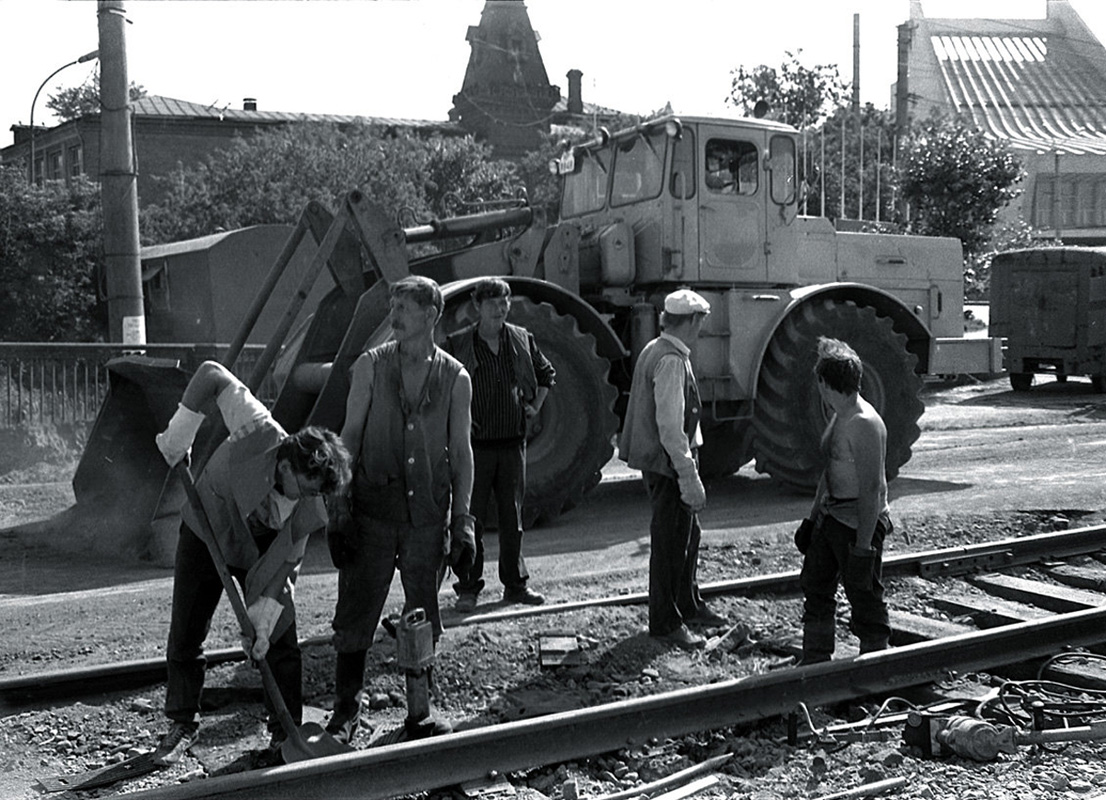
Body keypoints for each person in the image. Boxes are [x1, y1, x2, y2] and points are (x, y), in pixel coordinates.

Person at [151, 361, 352, 766]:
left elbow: (286, 565)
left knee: (279, 639)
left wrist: (266, 612)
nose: (308, 498)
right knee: (188, 628)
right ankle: (182, 721)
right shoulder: (258, 427)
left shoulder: (310, 504)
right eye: (306, 487)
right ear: (285, 465)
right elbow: (210, 373)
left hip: (260, 554)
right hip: (208, 525)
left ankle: (286, 732)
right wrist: (182, 429)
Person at [326, 275, 476, 743]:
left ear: (430, 315)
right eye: (391, 307)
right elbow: (347, 440)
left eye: (403, 309)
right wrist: (338, 507)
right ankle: (346, 712)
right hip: (371, 512)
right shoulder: (370, 368)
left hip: (426, 519)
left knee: (421, 618)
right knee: (355, 615)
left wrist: (463, 522)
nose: (393, 317)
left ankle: (420, 713)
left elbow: (461, 451)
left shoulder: (455, 377)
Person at [618, 289, 728, 650]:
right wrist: (688, 473)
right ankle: (665, 623)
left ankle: (688, 604)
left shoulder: (659, 349)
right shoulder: (670, 360)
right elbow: (670, 426)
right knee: (670, 544)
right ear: (693, 321)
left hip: (666, 460)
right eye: (701, 321)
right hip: (668, 463)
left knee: (687, 537)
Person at [444, 278, 556, 613]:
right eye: (492, 302)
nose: (500, 308)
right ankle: (467, 587)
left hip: (511, 444)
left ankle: (515, 585)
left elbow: (546, 374)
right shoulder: (460, 344)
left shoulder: (521, 339)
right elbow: (443, 388)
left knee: (512, 519)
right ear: (478, 307)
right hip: (473, 448)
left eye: (504, 301)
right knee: (469, 519)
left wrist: (535, 405)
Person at [794, 337, 893, 664]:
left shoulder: (863, 423)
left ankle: (874, 665)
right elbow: (830, 470)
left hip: (857, 523)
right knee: (816, 586)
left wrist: (864, 547)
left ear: (824, 382)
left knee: (863, 594)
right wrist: (812, 519)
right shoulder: (840, 414)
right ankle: (816, 661)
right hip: (832, 517)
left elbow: (873, 489)